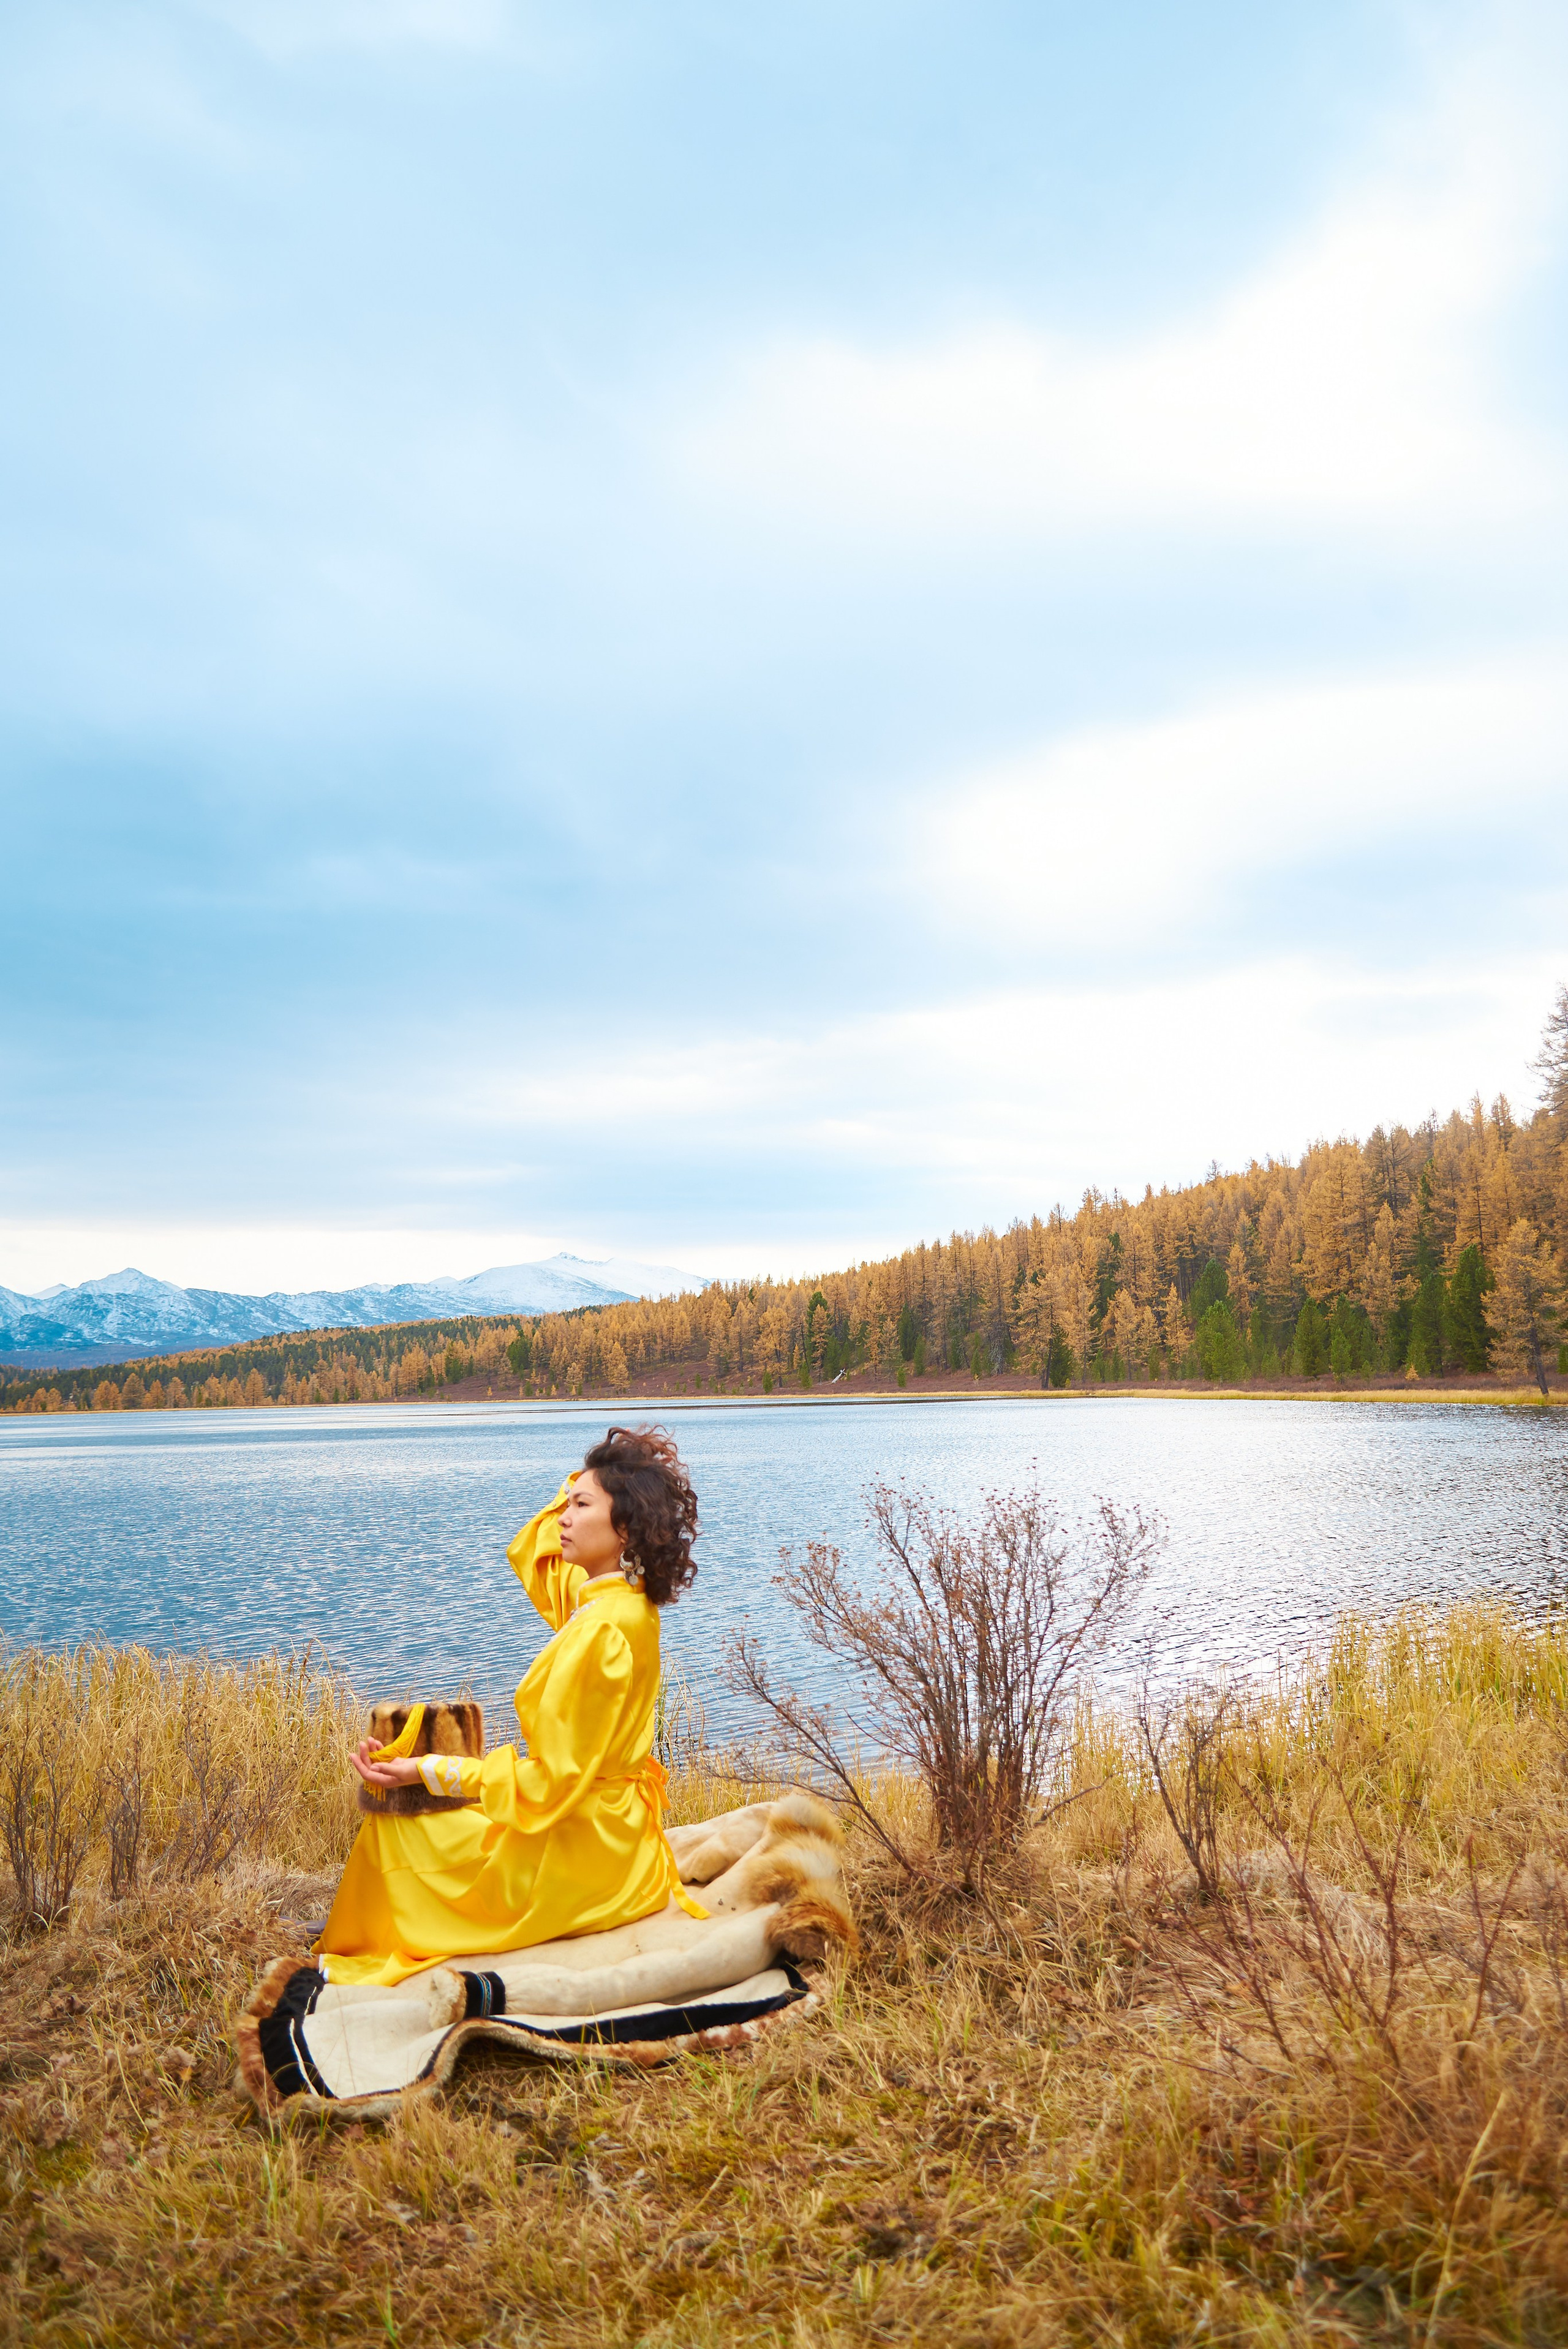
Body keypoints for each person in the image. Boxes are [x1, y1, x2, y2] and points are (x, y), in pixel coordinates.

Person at [314, 1424, 705, 1987]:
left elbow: (550, 1784)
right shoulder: (622, 1600)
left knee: (399, 1829)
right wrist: (595, 1478)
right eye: (568, 1502)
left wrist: (427, 1769)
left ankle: (363, 1942)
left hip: (585, 1860)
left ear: (624, 1526)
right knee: (454, 1828)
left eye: (581, 1505)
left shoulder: (599, 1632)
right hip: (619, 1838)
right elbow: (539, 1551)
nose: (563, 1516)